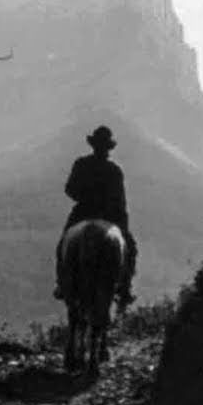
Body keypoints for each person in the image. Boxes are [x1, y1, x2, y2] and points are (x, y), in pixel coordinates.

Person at [59, 124, 137, 309]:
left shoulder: (81, 164)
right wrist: (124, 228)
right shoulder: (114, 170)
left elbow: (70, 190)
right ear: (108, 148)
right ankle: (125, 288)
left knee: (62, 244)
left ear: (93, 145)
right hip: (110, 216)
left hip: (82, 213)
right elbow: (121, 202)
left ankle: (62, 284)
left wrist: (84, 196)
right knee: (131, 248)